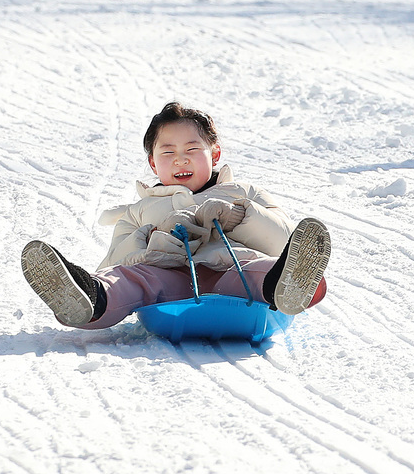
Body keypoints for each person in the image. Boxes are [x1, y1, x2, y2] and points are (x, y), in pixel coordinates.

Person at [21, 102, 330, 330]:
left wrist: (241, 215)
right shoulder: (139, 210)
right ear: (154, 165)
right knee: (129, 278)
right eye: (168, 152)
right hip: (166, 275)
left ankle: (287, 287)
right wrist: (151, 236)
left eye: (192, 148)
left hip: (229, 267)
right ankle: (89, 300)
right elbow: (117, 258)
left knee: (257, 269)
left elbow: (284, 237)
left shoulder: (241, 192)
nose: (180, 158)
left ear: (215, 154)